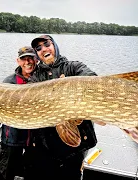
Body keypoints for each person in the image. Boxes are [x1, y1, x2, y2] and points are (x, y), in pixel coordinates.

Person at [23, 35, 98, 180]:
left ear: (54, 46)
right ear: (37, 54)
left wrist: (67, 87)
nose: (43, 49)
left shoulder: (73, 67)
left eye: (47, 44)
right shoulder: (34, 78)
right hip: (47, 145)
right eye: (38, 48)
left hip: (76, 144)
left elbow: (92, 80)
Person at [0, 46, 38, 180]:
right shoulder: (8, 82)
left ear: (36, 60)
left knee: (34, 174)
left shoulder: (43, 79)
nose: (28, 62)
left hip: (36, 141)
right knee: (6, 175)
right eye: (24, 59)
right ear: (18, 61)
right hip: (11, 140)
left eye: (31, 58)